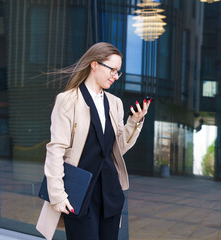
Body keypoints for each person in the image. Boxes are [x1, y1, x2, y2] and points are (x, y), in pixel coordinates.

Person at [36, 42, 151, 240]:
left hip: (110, 194)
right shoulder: (68, 100)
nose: (115, 76)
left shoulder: (115, 103)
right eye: (112, 70)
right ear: (94, 65)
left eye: (118, 72)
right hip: (79, 194)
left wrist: (134, 122)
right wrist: (57, 195)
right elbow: (56, 150)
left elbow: (117, 149)